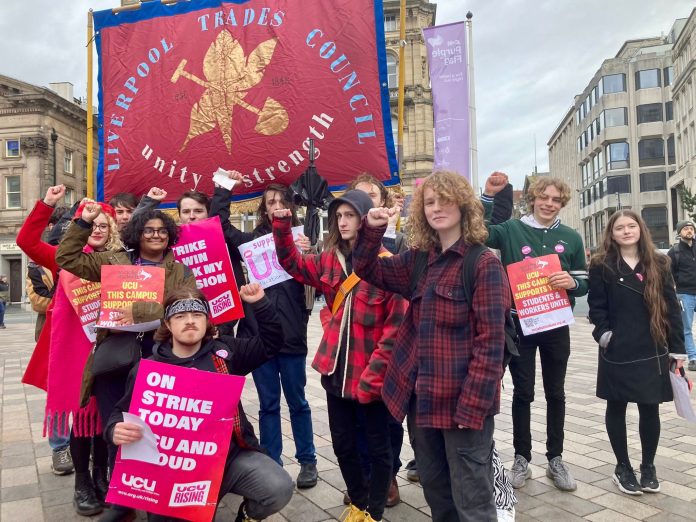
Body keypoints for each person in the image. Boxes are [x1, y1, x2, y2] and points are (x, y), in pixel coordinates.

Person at [352, 171, 510, 522]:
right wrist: (372, 229)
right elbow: (365, 268)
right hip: (421, 401)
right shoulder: (420, 259)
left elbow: (490, 346)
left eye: (445, 200)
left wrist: (472, 409)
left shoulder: (483, 264)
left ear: (464, 204)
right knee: (438, 496)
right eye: (429, 202)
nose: (437, 208)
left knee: (472, 502)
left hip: (462, 406)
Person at [56, 205, 196, 522]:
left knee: (156, 431)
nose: (156, 235)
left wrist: (143, 312)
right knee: (118, 429)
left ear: (170, 235)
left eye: (162, 230)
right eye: (149, 230)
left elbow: (189, 308)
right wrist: (83, 223)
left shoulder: (181, 270)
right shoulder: (114, 260)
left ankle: (159, 499)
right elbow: (66, 259)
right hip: (116, 359)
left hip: (160, 357)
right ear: (137, 233)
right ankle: (123, 502)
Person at [274, 189, 407, 522]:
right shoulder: (329, 258)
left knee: (378, 449)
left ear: (366, 220)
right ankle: (358, 505)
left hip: (371, 374)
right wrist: (281, 223)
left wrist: (375, 375)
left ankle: (374, 512)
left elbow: (397, 327)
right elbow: (291, 263)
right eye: (339, 216)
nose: (343, 221)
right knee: (344, 446)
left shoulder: (388, 265)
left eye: (350, 215)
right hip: (335, 371)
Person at [107, 286, 294, 522]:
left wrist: (260, 304)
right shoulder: (149, 370)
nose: (190, 322)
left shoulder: (226, 353)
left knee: (279, 487)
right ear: (167, 324)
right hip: (174, 474)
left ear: (207, 321)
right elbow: (119, 413)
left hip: (229, 461)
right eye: (180, 316)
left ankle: (245, 516)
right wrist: (114, 430)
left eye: (197, 315)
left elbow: (272, 343)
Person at [210, 171, 319, 489]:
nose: (275, 206)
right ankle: (273, 461)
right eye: (270, 202)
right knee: (269, 403)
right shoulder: (250, 242)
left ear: (290, 208)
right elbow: (220, 227)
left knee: (298, 402)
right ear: (264, 209)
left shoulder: (299, 242)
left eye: (281, 201)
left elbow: (317, 280)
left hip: (292, 336)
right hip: (259, 336)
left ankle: (308, 460)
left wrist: (308, 252)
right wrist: (223, 188)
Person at [482, 173, 587, 492]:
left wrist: (574, 283)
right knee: (522, 393)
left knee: (556, 392)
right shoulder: (512, 229)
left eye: (556, 200)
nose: (549, 204)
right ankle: (521, 458)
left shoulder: (571, 237)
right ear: (533, 199)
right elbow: (479, 232)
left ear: (562, 203)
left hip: (556, 325)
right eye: (544, 198)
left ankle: (555, 458)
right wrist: (487, 196)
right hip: (521, 324)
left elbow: (583, 281)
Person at [18, 185, 119, 516]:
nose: (98, 230)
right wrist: (47, 204)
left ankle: (102, 478)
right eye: (92, 223)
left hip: (112, 351)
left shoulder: (121, 261)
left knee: (106, 419)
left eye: (104, 224)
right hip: (75, 354)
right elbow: (27, 243)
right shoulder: (64, 258)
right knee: (80, 422)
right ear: (82, 227)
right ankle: (82, 483)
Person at [588, 210, 686, 495]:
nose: (627, 231)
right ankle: (623, 467)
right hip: (617, 347)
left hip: (652, 345)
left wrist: (678, 349)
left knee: (649, 407)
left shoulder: (659, 262)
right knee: (616, 406)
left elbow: (671, 308)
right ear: (612, 233)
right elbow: (597, 307)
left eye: (632, 226)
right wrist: (605, 335)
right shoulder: (602, 265)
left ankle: (648, 467)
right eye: (620, 228)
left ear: (641, 229)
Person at [348, 174, 406, 506]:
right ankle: (365, 477)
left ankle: (389, 476)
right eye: (359, 195)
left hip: (390, 342)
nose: (365, 200)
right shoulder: (341, 242)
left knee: (388, 417)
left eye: (372, 194)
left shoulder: (397, 237)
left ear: (381, 201)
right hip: (355, 345)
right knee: (357, 417)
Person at [667, 220, 696, 372]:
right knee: (686, 328)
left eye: (691, 228)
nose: (689, 231)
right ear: (679, 232)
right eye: (686, 228)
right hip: (685, 294)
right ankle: (693, 358)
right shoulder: (674, 252)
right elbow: (668, 274)